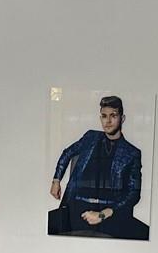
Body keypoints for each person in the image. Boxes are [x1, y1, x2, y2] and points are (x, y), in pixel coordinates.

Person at [48, 95, 150, 240]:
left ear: (123, 118)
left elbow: (133, 194)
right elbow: (67, 153)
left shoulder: (131, 153)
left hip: (110, 213)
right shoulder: (91, 137)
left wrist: (103, 214)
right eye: (104, 116)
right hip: (77, 208)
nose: (107, 121)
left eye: (113, 116)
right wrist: (56, 180)